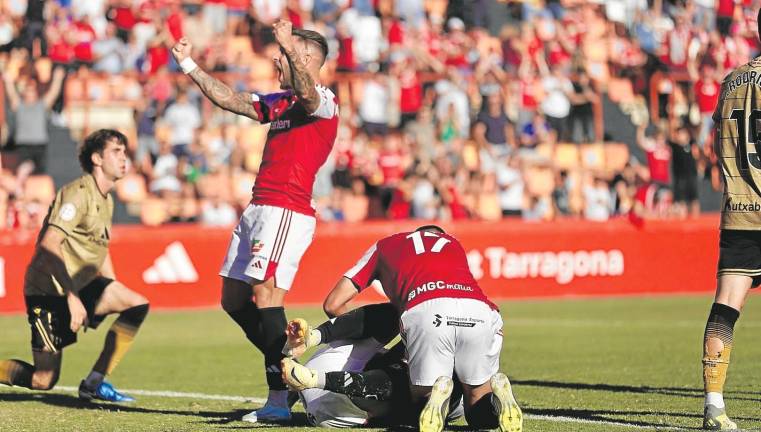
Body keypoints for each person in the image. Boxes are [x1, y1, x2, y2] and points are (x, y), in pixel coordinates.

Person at [170, 19, 338, 423]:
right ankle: (286, 360)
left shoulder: (324, 102)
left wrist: (288, 44)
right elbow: (231, 99)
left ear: (308, 58)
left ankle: (278, 400)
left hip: (286, 211)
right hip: (258, 208)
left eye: (285, 53)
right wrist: (190, 64)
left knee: (266, 298)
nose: (278, 59)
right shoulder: (280, 103)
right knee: (231, 299)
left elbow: (306, 90)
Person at [304, 225, 522, 432]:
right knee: (475, 404)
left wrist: (372, 340)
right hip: (481, 311)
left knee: (420, 403)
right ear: (440, 235)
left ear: (414, 234)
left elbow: (333, 304)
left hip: (426, 310)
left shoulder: (387, 245)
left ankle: (434, 399)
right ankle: (496, 403)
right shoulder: (453, 244)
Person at [0, 129, 149, 403]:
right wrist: (72, 298)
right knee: (43, 380)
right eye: (116, 152)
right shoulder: (77, 194)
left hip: (80, 287)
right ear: (96, 158)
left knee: (136, 304)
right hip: (48, 292)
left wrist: (111, 284)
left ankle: (94, 383)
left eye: (125, 152)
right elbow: (48, 245)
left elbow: (99, 248)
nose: (124, 158)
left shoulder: (107, 199)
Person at [700, 11, 761, 430]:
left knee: (725, 308)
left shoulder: (730, 81)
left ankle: (714, 407)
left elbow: (715, 144)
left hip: (739, 209)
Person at [280, 304, 465, 428]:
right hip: (335, 400)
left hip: (337, 391)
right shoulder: (457, 393)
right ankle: (312, 363)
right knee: (401, 386)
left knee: (397, 312)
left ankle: (315, 338)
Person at [2, 67, 65, 174]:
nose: (30, 92)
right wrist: (8, 81)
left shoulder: (41, 105)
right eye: (28, 89)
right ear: (24, 92)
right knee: (25, 167)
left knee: (39, 174)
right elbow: (12, 94)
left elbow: (53, 93)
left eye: (33, 90)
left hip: (40, 145)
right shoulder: (19, 105)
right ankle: (19, 184)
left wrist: (57, 79)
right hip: (24, 145)